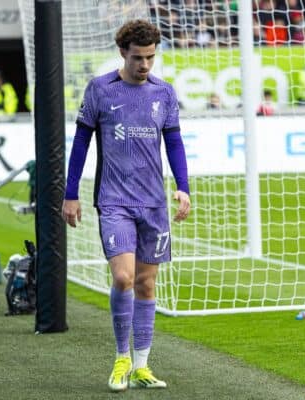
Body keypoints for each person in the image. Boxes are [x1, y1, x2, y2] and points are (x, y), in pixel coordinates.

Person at [62, 20, 190, 392]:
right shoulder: (101, 89)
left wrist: (183, 187)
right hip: (114, 200)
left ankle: (142, 365)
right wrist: (71, 193)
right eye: (138, 57)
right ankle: (121, 358)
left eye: (151, 57)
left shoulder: (163, 93)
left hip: (154, 204)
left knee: (147, 284)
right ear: (123, 52)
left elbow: (175, 144)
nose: (145, 64)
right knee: (123, 277)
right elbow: (81, 143)